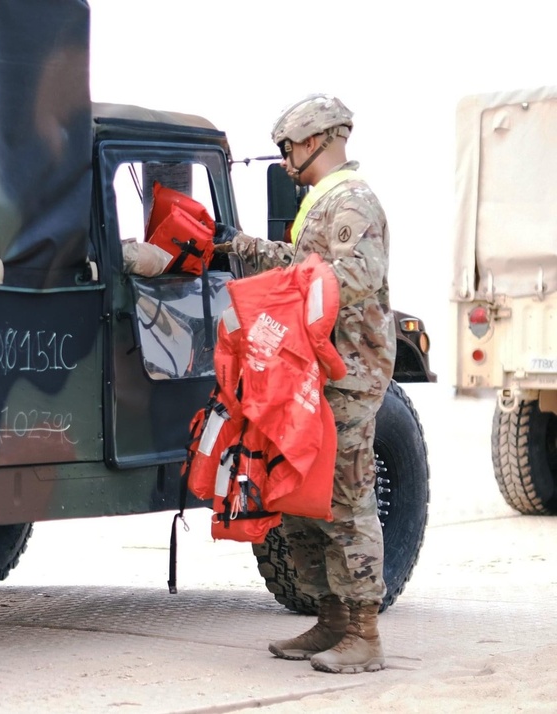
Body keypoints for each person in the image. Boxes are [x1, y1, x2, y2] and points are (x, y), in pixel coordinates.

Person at [221, 94, 396, 674]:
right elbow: (308, 266)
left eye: (290, 145)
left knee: (345, 500)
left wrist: (277, 270)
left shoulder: (352, 201)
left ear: (322, 138)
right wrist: (248, 251)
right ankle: (332, 619)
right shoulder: (319, 204)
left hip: (348, 375)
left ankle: (365, 633)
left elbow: (350, 278)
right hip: (309, 373)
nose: (286, 156)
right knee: (301, 498)